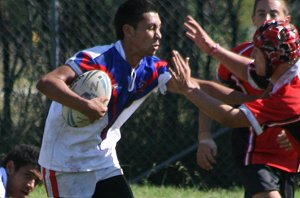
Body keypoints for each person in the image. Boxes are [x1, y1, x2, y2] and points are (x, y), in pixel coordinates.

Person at [36, 0, 176, 197]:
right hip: (66, 162)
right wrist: (84, 105)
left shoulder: (149, 68)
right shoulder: (97, 59)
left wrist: (229, 96)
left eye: (159, 28)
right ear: (128, 30)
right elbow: (47, 82)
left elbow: (194, 86)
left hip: (103, 159)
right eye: (151, 28)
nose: (159, 35)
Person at [171, 19, 300, 198]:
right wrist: (212, 48)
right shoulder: (286, 71)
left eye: (258, 50)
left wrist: (190, 90)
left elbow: (230, 118)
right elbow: (249, 70)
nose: (253, 54)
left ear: (275, 57)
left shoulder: (289, 96)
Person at [191, 0, 294, 172]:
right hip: (252, 151)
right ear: (253, 19)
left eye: (274, 14)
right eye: (261, 14)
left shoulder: (293, 61)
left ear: (287, 20)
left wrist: (293, 129)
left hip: (289, 153)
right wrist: (204, 136)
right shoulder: (236, 57)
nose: (267, 19)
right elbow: (213, 92)